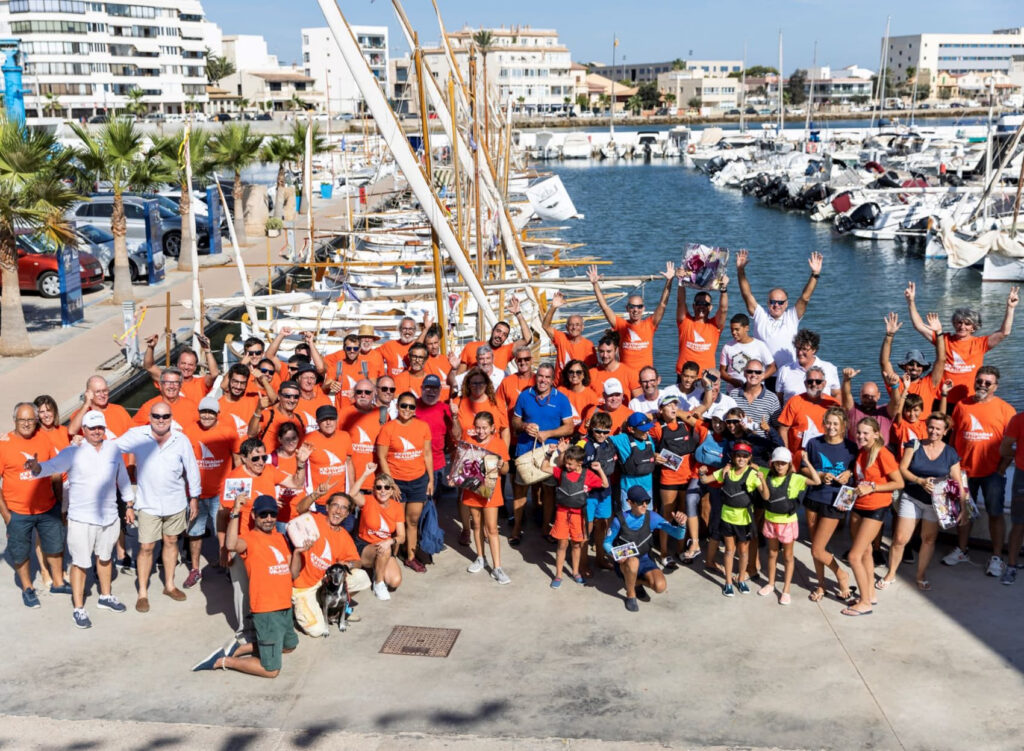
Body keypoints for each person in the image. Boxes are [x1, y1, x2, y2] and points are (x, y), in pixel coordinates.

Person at [25, 410, 133, 628]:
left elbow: (122, 479)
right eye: (92, 428)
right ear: (84, 430)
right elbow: (49, 468)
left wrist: (129, 504)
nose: (96, 432)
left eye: (100, 427)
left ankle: (105, 596)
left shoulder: (113, 449)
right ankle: (78, 607)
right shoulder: (71, 452)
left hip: (110, 516)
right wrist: (36, 467)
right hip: (81, 519)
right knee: (80, 563)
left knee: (105, 558)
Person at [192, 495, 300, 677]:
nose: (268, 519)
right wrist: (235, 512)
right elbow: (231, 544)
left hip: (285, 607)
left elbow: (292, 574)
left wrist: (298, 552)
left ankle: (241, 648)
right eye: (263, 514)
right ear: (254, 516)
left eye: (272, 514)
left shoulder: (280, 538)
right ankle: (222, 661)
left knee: (289, 647)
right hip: (267, 610)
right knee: (271, 670)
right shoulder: (248, 539)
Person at [114, 403, 201, 613]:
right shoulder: (138, 435)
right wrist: (85, 443)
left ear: (171, 417)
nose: (161, 419)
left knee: (171, 542)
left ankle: (169, 585)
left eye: (165, 416)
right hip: (148, 503)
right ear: (150, 417)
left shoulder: (181, 439)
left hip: (176, 502)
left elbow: (192, 468)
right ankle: (142, 593)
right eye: (156, 416)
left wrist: (194, 497)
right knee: (146, 547)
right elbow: (112, 447)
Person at [220, 438, 310, 641]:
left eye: (264, 456)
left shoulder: (269, 471)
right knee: (242, 589)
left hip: (267, 541)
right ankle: (244, 630)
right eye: (256, 458)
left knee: (267, 585)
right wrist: (223, 546)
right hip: (242, 542)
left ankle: (269, 622)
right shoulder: (234, 480)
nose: (261, 461)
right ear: (243, 458)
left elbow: (296, 483)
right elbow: (224, 515)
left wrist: (301, 464)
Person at [878, 412, 967, 591]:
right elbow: (902, 468)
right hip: (912, 497)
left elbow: (958, 481)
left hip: (936, 504)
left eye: (938, 429)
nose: (933, 431)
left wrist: (963, 508)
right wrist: (920, 481)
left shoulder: (950, 452)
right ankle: (891, 573)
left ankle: (920, 575)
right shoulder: (914, 445)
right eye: (931, 427)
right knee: (900, 538)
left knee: (928, 539)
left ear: (945, 431)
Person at [945, 366, 1015, 575]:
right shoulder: (961, 405)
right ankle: (962, 550)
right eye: (980, 381)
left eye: (987, 383)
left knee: (995, 513)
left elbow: (1012, 445)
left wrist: (1002, 469)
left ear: (995, 386)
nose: (982, 385)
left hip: (992, 473)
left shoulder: (1006, 410)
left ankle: (996, 557)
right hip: (964, 471)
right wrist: (951, 466)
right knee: (963, 513)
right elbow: (952, 436)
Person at [905, 281, 1018, 405]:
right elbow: (918, 325)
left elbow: (1004, 332)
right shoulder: (943, 339)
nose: (962, 326)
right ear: (954, 324)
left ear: (974, 327)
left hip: (967, 399)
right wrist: (911, 302)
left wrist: (1010, 308)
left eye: (967, 323)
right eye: (959, 322)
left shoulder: (980, 343)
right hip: (940, 398)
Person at [0, 403, 67, 608]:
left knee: (55, 546)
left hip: (48, 507)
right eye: (23, 420)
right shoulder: (4, 445)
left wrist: (59, 503)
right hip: (17, 511)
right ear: (15, 421)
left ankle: (58, 582)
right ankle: (28, 589)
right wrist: (6, 515)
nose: (27, 424)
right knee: (20, 552)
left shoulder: (44, 439)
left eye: (31, 419)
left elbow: (55, 473)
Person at [843, 417, 904, 617]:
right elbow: (862, 479)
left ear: (877, 434)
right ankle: (869, 594)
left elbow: (898, 483)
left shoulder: (882, 453)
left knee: (854, 556)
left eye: (866, 433)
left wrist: (873, 488)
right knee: (866, 552)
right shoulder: (862, 452)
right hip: (858, 506)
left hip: (875, 508)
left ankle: (865, 603)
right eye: (859, 432)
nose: (861, 436)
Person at [290, 492, 372, 637]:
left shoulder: (344, 536)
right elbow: (300, 509)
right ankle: (299, 609)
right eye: (335, 505)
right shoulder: (315, 519)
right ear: (327, 507)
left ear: (347, 514)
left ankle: (336, 606)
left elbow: (358, 562)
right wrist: (315, 495)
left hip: (326, 582)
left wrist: (347, 564)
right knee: (317, 631)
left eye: (344, 508)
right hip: (304, 585)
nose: (339, 511)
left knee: (362, 577)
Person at [509, 363, 574, 544]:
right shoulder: (524, 396)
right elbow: (515, 421)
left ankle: (546, 528)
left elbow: (569, 427)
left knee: (548, 491)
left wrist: (549, 433)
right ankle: (516, 529)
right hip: (525, 451)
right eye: (540, 376)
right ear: (535, 377)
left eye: (547, 377)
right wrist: (524, 426)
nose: (543, 380)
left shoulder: (561, 399)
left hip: (550, 452)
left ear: (552, 380)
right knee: (521, 490)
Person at [735, 249, 823, 376]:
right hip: (762, 376)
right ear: (767, 302)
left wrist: (815, 274)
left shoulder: (792, 316)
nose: (776, 305)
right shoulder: (760, 315)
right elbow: (746, 294)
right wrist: (740, 271)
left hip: (788, 373)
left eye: (781, 302)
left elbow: (805, 297)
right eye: (773, 302)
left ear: (787, 304)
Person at [183, 397, 240, 588]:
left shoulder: (228, 433)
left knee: (221, 533)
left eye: (211, 413)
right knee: (195, 533)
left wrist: (236, 491)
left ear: (217, 415)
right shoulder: (189, 431)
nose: (206, 416)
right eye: (203, 412)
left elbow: (237, 462)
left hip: (220, 494)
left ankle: (227, 567)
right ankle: (195, 569)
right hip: (195, 495)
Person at [699, 441, 769, 597]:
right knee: (730, 551)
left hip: (744, 520)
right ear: (733, 456)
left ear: (750, 457)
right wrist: (702, 472)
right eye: (738, 455)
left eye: (745, 456)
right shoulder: (726, 471)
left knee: (743, 552)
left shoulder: (752, 474)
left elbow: (765, 496)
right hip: (727, 517)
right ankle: (728, 582)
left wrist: (762, 479)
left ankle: (742, 579)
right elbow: (705, 480)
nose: (741, 459)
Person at [801, 406, 857, 603]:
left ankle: (841, 574)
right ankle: (821, 584)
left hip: (835, 501)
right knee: (815, 548)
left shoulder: (851, 447)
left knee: (818, 548)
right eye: (828, 423)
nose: (831, 427)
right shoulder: (814, 443)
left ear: (843, 426)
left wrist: (849, 474)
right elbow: (803, 470)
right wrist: (822, 475)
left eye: (836, 424)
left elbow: (856, 474)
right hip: (814, 497)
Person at [603, 486, 687, 612]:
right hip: (626, 561)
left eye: (646, 501)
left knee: (660, 587)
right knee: (633, 562)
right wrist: (616, 555)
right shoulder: (619, 520)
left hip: (645, 558)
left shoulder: (652, 517)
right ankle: (631, 594)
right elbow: (607, 543)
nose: (644, 505)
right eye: (639, 502)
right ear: (629, 503)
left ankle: (636, 582)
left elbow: (678, 535)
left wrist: (682, 524)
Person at [375, 392, 433, 573]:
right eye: (403, 406)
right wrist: (391, 483)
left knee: (413, 521)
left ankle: (410, 557)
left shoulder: (423, 426)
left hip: (418, 480)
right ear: (397, 406)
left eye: (411, 406)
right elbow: (382, 457)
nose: (407, 410)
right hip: (397, 481)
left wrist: (430, 479)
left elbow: (427, 454)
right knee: (395, 523)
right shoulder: (388, 428)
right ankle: (390, 557)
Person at [543, 441, 609, 587]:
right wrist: (548, 454)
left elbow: (605, 484)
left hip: (579, 516)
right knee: (562, 544)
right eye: (566, 463)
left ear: (580, 463)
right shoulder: (562, 472)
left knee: (577, 545)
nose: (567, 466)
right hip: (562, 513)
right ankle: (558, 575)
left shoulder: (588, 475)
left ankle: (575, 572)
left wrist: (600, 470)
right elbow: (544, 467)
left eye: (571, 464)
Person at [649, 394, 704, 566]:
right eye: (669, 405)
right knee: (666, 516)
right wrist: (654, 455)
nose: (673, 408)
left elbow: (701, 422)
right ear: (661, 409)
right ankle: (664, 553)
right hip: (669, 478)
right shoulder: (657, 428)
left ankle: (680, 549)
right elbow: (644, 443)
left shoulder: (685, 423)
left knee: (683, 516)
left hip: (687, 477)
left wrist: (682, 414)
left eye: (675, 405)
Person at [588, 262, 675, 371]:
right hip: (626, 378)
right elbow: (605, 307)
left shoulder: (650, 324)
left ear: (643, 309)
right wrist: (595, 284)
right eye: (632, 307)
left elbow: (663, 304)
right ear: (627, 308)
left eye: (639, 307)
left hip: (645, 378)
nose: (635, 310)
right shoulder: (621, 325)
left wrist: (669, 281)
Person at [460, 412, 511, 584]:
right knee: (476, 524)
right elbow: (461, 466)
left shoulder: (498, 443)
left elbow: (505, 470)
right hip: (472, 488)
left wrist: (501, 464)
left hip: (491, 491)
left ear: (492, 428)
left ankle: (497, 567)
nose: (480, 431)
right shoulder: (470, 442)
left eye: (484, 428)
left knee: (492, 529)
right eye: (478, 428)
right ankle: (480, 558)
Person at [757, 447, 807, 605]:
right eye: (777, 463)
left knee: (787, 556)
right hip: (771, 520)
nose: (780, 466)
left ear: (789, 464)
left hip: (787, 522)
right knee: (772, 553)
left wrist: (808, 462)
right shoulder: (766, 473)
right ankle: (771, 583)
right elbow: (752, 466)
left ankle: (786, 590)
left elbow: (816, 481)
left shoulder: (795, 478)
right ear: (772, 463)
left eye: (783, 463)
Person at [879, 311, 945, 416]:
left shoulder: (929, 383)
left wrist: (939, 333)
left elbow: (941, 360)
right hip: (901, 428)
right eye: (911, 364)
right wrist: (889, 335)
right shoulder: (896, 383)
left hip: (923, 429)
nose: (915, 367)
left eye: (919, 365)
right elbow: (884, 362)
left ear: (923, 368)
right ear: (904, 366)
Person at [777, 365, 839, 471]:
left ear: (824, 384)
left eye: (818, 382)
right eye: (810, 381)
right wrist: (786, 456)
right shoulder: (794, 401)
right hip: (798, 459)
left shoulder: (833, 404)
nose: (814, 384)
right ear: (805, 383)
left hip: (825, 457)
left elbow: (841, 431)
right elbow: (783, 430)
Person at [355, 473, 405, 600]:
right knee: (385, 549)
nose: (383, 491)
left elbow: (402, 536)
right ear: (374, 489)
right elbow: (352, 494)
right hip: (365, 545)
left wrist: (390, 541)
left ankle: (377, 571)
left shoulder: (397, 507)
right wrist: (365, 474)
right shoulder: (368, 500)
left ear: (392, 490)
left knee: (395, 581)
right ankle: (378, 583)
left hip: (385, 546)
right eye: (379, 487)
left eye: (387, 487)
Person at [580, 411, 619, 572]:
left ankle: (600, 558)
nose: (602, 435)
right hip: (588, 495)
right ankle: (582, 564)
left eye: (605, 431)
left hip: (605, 492)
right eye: (598, 431)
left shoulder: (610, 444)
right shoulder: (583, 444)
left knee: (602, 526)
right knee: (585, 529)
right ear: (591, 429)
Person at [456, 297, 533, 373]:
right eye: (498, 331)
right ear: (492, 331)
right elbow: (459, 376)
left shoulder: (506, 351)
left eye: (504, 334)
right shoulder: (471, 347)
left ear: (506, 338)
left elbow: (527, 339)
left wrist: (518, 313)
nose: (500, 336)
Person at [339, 379, 388, 498]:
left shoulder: (383, 415)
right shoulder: (344, 413)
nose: (363, 395)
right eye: (359, 392)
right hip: (351, 481)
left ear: (374, 393)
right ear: (354, 394)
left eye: (367, 392)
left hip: (375, 482)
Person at [142, 332, 219, 404]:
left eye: (190, 365)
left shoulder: (201, 383)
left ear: (195, 367)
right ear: (177, 364)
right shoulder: (168, 379)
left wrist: (207, 350)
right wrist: (151, 347)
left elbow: (214, 373)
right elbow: (149, 366)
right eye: (183, 363)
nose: (186, 367)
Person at [674, 276, 728, 378]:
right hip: (685, 376)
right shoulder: (685, 321)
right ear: (693, 306)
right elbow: (680, 302)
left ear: (710, 307)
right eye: (699, 303)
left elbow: (723, 309)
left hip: (707, 376)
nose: (702, 306)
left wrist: (724, 289)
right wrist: (681, 280)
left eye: (705, 304)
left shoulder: (715, 325)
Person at [609, 411, 662, 510]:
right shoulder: (622, 439)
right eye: (643, 430)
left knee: (646, 519)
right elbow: (601, 440)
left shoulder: (649, 438)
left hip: (647, 489)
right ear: (631, 429)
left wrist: (655, 457)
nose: (647, 432)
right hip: (628, 490)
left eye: (648, 428)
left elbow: (651, 454)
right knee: (628, 520)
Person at [304, 405, 354, 501]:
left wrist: (351, 491)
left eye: (331, 419)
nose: (328, 423)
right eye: (324, 419)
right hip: (317, 500)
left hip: (341, 499)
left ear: (337, 419)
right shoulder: (308, 439)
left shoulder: (345, 436)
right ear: (317, 422)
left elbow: (349, 463)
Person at [416, 375, 454, 503]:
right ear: (421, 388)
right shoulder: (411, 406)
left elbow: (456, 435)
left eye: (435, 389)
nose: (431, 392)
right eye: (428, 388)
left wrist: (454, 417)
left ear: (440, 390)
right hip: (414, 463)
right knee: (416, 502)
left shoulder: (445, 409)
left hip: (437, 464)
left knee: (432, 502)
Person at [775, 330, 840, 404]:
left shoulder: (829, 368)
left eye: (804, 349)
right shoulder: (784, 370)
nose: (800, 353)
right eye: (798, 348)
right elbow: (779, 398)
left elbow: (836, 394)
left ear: (814, 350)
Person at [542, 291, 596, 379]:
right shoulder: (561, 338)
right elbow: (545, 326)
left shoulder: (588, 345)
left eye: (577, 324)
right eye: (571, 325)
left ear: (582, 327)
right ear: (567, 327)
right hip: (560, 387)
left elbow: (591, 370)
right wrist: (553, 307)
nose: (574, 327)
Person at [999, 410, 1024, 585]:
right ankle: (1012, 565)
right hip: (1023, 476)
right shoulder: (1019, 419)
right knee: (1018, 523)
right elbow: (1004, 447)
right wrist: (1019, 457)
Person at [727, 359, 780, 439]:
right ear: (744, 373)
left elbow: (777, 427)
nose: (753, 375)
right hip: (738, 444)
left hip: (762, 445)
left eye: (758, 372)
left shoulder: (772, 398)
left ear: (763, 375)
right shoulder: (733, 394)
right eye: (750, 371)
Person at [219, 363, 274, 440]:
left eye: (242, 383)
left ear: (246, 383)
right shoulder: (218, 406)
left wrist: (263, 379)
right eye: (235, 381)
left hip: (250, 449)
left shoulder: (253, 401)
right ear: (229, 381)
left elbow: (274, 400)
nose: (238, 387)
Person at [719, 314, 776, 388]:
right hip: (733, 392)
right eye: (732, 329)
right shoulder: (727, 347)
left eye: (737, 329)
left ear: (746, 328)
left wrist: (759, 378)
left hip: (755, 391)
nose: (733, 332)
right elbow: (722, 371)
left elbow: (772, 367)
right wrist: (732, 381)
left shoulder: (759, 345)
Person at [133, 367, 199, 430]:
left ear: (180, 386)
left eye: (176, 382)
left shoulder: (192, 406)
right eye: (167, 382)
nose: (171, 386)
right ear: (160, 385)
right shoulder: (149, 407)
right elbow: (134, 431)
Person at [248, 380, 304, 453]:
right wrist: (258, 409)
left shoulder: (300, 419)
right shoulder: (268, 415)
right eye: (287, 396)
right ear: (279, 396)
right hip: (269, 463)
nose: (292, 400)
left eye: (296, 397)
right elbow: (251, 434)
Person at [842, 370, 894, 447]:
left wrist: (895, 386)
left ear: (878, 395)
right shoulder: (853, 411)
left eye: (872, 396)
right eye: (865, 396)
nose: (869, 400)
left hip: (880, 454)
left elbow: (896, 403)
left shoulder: (885, 412)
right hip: (856, 454)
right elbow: (846, 395)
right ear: (860, 395)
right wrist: (846, 380)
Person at [558, 360, 599, 432]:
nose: (574, 375)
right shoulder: (560, 391)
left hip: (582, 435)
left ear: (584, 375)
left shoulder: (591, 396)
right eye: (571, 372)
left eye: (578, 372)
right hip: (562, 433)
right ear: (567, 374)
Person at [293, 363, 334, 434]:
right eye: (305, 378)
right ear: (298, 379)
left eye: (312, 378)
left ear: (315, 380)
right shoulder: (292, 401)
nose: (309, 381)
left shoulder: (325, 400)